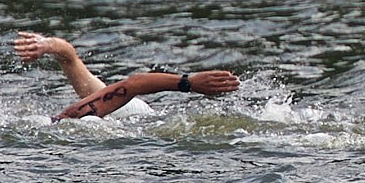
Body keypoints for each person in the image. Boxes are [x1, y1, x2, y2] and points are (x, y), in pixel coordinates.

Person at [12, 32, 241, 120]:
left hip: (130, 114)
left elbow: (135, 83)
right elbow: (69, 58)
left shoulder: (77, 113)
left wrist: (188, 83)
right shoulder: (78, 114)